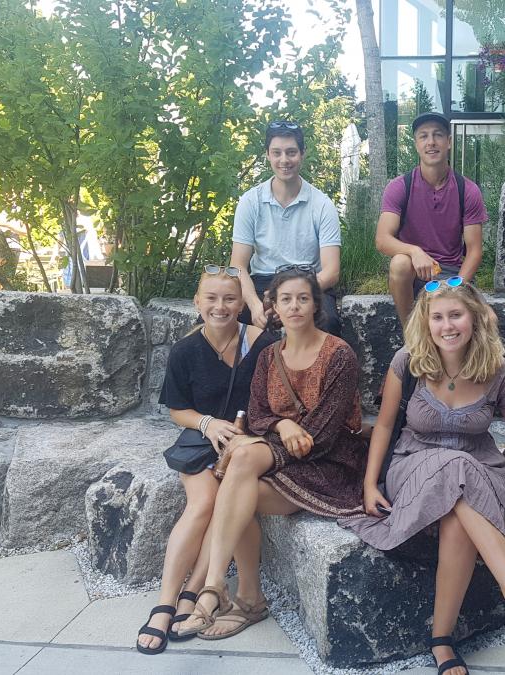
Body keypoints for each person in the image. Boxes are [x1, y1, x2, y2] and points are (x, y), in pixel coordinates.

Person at [342, 279, 505, 674]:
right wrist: (370, 484)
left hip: (477, 467)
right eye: (438, 317)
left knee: (457, 512)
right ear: (426, 321)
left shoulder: (500, 371)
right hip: (413, 465)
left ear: (473, 318)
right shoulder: (408, 360)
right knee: (454, 467)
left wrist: (495, 478)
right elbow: (383, 426)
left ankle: (441, 639)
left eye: (456, 315)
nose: (447, 326)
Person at [173, 268, 368, 639]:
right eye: (286, 299)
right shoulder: (269, 355)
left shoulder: (338, 355)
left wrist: (275, 434)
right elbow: (259, 414)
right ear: (274, 306)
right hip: (283, 458)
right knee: (240, 485)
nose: (294, 306)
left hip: (329, 467)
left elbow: (322, 438)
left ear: (316, 304)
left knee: (242, 461)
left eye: (303, 298)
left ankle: (220, 593)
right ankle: (245, 597)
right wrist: (282, 425)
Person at [135, 266, 274, 653]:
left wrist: (243, 438)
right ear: (197, 303)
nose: (220, 306)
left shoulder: (263, 345)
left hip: (246, 443)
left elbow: (273, 402)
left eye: (229, 298)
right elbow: (177, 409)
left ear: (241, 304)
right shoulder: (185, 350)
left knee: (224, 506)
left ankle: (192, 594)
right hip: (201, 439)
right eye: (211, 298)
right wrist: (209, 424)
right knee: (203, 504)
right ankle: (166, 604)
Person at [230, 120, 343, 335]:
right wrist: (255, 306)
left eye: (291, 152)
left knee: (328, 323)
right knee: (217, 319)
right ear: (268, 155)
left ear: (302, 154)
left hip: (308, 280)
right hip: (262, 281)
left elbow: (331, 271)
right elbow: (238, 266)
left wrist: (287, 297)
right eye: (277, 153)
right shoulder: (250, 201)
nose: (284, 160)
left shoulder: (321, 204)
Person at [375, 111, 487, 325]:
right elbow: (382, 239)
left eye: (438, 135)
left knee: (489, 319)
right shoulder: (400, 187)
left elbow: (474, 250)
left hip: (452, 274)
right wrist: (414, 251)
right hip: (414, 273)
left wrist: (457, 287)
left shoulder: (468, 190)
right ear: (416, 144)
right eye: (423, 136)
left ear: (449, 142)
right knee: (399, 263)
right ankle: (411, 334)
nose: (431, 142)